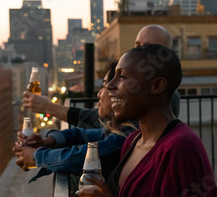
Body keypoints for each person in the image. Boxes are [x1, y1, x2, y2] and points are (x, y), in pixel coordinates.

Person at [75, 45, 217, 197]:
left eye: (122, 77)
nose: (110, 86)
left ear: (157, 85)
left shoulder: (180, 148)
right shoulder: (132, 141)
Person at [22, 24, 179, 128]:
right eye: (137, 45)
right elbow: (99, 121)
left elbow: (109, 135)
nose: (109, 88)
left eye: (148, 47)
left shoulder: (161, 96)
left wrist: (43, 153)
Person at [13, 61, 136, 181]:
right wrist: (47, 141)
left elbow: (78, 157)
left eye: (104, 87)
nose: (98, 94)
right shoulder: (119, 129)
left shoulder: (126, 137)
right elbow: (81, 134)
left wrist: (37, 157)